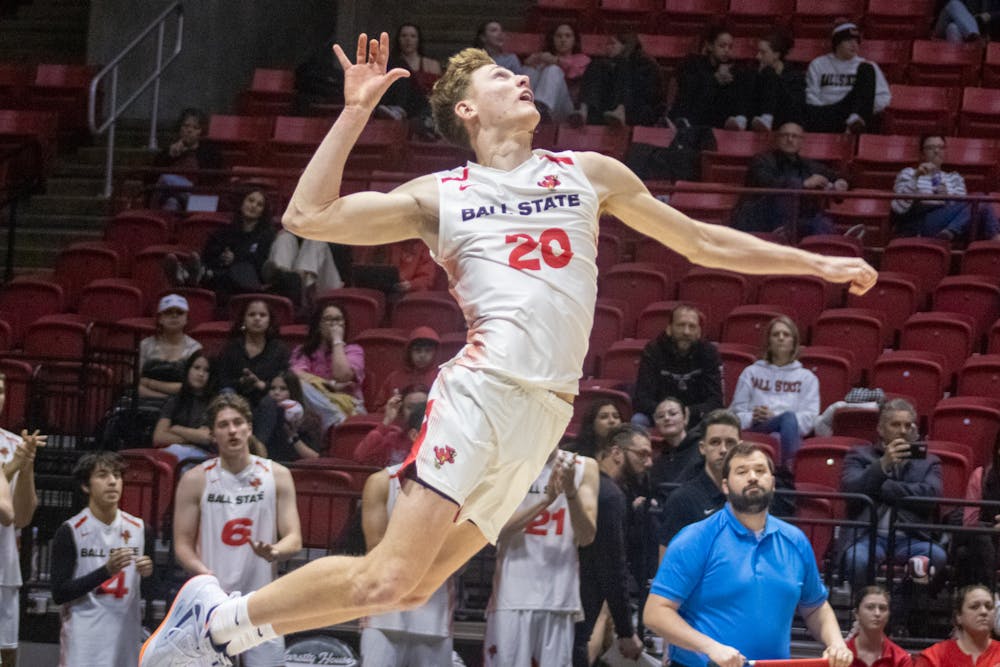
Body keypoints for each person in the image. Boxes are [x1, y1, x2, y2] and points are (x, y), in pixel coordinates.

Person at [139, 31, 877, 667]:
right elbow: (308, 213)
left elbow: (701, 239)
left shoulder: (586, 172)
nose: (521, 78)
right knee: (384, 576)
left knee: (410, 585)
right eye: (501, 75)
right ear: (466, 109)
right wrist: (356, 110)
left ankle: (218, 627)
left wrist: (814, 263)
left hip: (545, 414)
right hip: (484, 391)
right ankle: (214, 621)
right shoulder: (442, 193)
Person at [644, 441, 853, 667]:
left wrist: (836, 643)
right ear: (725, 486)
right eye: (742, 471)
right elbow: (656, 613)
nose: (752, 477)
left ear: (772, 483)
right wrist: (710, 647)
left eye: (760, 471)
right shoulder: (695, 539)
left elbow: (815, 607)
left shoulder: (796, 541)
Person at [171, 394, 302, 667]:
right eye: (223, 425)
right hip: (211, 602)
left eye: (238, 422)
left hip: (261, 600)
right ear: (211, 434)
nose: (232, 430)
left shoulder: (277, 475)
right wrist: (204, 575)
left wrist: (275, 551)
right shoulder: (195, 479)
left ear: (249, 428)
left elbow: (294, 538)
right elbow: (182, 543)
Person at [839, 398, 946, 633]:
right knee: (857, 560)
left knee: (935, 556)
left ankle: (894, 615)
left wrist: (882, 487)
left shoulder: (929, 462)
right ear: (880, 428)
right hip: (869, 535)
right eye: (895, 425)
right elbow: (851, 490)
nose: (903, 431)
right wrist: (883, 464)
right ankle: (864, 619)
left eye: (908, 426)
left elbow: (930, 496)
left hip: (911, 537)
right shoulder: (859, 456)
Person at [485, 448, 598, 666]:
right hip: (511, 595)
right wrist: (545, 500)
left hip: (559, 597)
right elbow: (492, 531)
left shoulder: (584, 466)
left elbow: (586, 537)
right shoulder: (504, 463)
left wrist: (571, 493)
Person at [51, 451, 153, 667]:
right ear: (86, 486)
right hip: (84, 637)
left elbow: (152, 587)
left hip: (124, 635)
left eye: (117, 475)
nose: (113, 481)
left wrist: (150, 573)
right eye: (103, 475)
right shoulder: (70, 530)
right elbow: (60, 592)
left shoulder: (140, 529)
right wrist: (106, 571)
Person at [361, 446, 459, 666]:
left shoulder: (456, 487)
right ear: (417, 435)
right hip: (383, 613)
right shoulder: (382, 481)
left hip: (435, 613)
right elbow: (375, 548)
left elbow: (459, 553)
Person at [574, 425, 647, 667]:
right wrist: (626, 631)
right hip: (579, 598)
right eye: (642, 454)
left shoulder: (582, 481)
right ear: (616, 452)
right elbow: (613, 565)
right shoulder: (609, 495)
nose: (648, 463)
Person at [732, 121, 848, 239]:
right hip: (762, 217)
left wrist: (841, 182)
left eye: (795, 136)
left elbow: (839, 177)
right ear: (777, 139)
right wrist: (804, 183)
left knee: (820, 223)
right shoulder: (761, 160)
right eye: (785, 135)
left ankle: (839, 243)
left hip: (794, 221)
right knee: (812, 219)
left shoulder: (808, 165)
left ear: (801, 142)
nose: (790, 139)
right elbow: (768, 183)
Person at [730, 315, 819, 463]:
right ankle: (788, 475)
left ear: (794, 342)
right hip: (755, 428)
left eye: (786, 334)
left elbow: (809, 420)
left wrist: (776, 416)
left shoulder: (807, 378)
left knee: (785, 424)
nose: (781, 338)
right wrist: (753, 417)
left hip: (788, 433)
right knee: (785, 422)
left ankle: (785, 473)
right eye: (775, 334)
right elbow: (736, 414)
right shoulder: (751, 372)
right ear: (769, 342)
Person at [0, 374, 43, 667]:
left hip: (3, 569)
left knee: (7, 657)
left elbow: (22, 518)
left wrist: (24, 467)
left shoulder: (15, 444)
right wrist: (10, 469)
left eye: (1, 390)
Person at [656, 409, 739, 558]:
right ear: (702, 448)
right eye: (715, 442)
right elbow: (667, 567)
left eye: (730, 443)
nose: (723, 449)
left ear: (740, 447)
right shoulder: (682, 499)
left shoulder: (749, 497)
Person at [169, 190, 276, 302]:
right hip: (222, 280)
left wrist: (236, 258)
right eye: (250, 200)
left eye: (259, 205)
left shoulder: (267, 236)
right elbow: (209, 255)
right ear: (242, 203)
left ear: (263, 211)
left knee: (237, 271)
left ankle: (188, 275)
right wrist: (222, 258)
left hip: (248, 281)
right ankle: (189, 275)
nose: (253, 206)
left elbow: (261, 264)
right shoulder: (224, 232)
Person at [891, 134, 1000, 243]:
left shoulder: (954, 177)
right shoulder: (909, 173)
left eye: (941, 147)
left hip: (946, 222)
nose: (936, 151)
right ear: (922, 154)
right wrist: (916, 177)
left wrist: (948, 198)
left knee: (980, 201)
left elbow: (964, 212)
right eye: (931, 148)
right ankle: (996, 242)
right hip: (919, 221)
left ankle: (948, 233)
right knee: (980, 198)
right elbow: (899, 208)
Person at [632, 304, 722, 429]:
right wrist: (668, 412)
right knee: (638, 420)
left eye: (692, 326)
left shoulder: (709, 353)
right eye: (681, 325)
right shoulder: (653, 351)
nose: (686, 332)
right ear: (669, 329)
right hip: (660, 415)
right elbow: (641, 399)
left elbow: (716, 401)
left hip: (695, 417)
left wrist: (686, 412)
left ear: (699, 332)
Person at [805, 21, 891, 134]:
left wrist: (865, 110)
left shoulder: (867, 65)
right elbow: (811, 95)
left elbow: (883, 97)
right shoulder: (818, 64)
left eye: (856, 41)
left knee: (867, 69)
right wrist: (825, 113)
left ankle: (855, 122)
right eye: (849, 40)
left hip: (855, 111)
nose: (854, 45)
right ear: (837, 43)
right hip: (827, 112)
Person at [291, 302, 366, 431]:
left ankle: (334, 420)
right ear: (319, 325)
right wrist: (330, 385)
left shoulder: (354, 350)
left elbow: (342, 376)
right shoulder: (302, 351)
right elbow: (295, 374)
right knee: (297, 384)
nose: (333, 324)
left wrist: (337, 340)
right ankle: (334, 419)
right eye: (328, 319)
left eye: (338, 319)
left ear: (344, 324)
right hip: (313, 406)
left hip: (347, 406)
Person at [576, 32, 663, 127]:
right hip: (610, 110)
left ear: (625, 45)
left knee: (622, 64)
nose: (608, 47)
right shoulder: (607, 65)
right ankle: (584, 110)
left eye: (613, 43)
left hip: (639, 108)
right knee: (595, 64)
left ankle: (620, 110)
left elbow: (649, 94)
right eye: (607, 44)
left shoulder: (644, 62)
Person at [726, 29, 806, 132]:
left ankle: (767, 118)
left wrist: (772, 78)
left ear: (776, 55)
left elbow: (795, 108)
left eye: (763, 52)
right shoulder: (753, 74)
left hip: (784, 122)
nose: (758, 56)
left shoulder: (795, 77)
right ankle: (741, 119)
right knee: (750, 73)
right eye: (758, 52)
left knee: (769, 73)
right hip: (755, 122)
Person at [151, 107, 223, 211]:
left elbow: (213, 182)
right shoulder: (167, 152)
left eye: (195, 127)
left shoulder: (210, 153)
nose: (189, 130)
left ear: (201, 131)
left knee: (167, 179)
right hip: (170, 198)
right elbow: (151, 179)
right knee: (172, 202)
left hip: (200, 200)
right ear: (180, 128)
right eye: (186, 126)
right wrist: (169, 156)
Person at [670, 25, 740, 129]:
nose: (727, 50)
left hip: (715, 120)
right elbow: (688, 89)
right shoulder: (693, 63)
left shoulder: (732, 69)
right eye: (722, 46)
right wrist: (714, 79)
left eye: (730, 47)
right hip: (691, 115)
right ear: (710, 46)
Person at [152, 351, 214, 467]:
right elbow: (159, 437)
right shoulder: (175, 400)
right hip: (177, 452)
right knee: (173, 453)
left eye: (206, 370)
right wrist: (193, 437)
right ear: (188, 370)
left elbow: (206, 438)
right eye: (196, 368)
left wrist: (175, 428)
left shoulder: (214, 403)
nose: (201, 374)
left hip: (204, 457)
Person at [954, 431, 1000, 588]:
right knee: (978, 534)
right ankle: (991, 596)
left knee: (964, 555)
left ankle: (986, 596)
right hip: (986, 541)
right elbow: (969, 522)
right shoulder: (981, 476)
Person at [914, 585, 999, 667]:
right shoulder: (934, 657)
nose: (984, 612)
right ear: (959, 616)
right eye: (974, 607)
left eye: (989, 607)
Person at [138, 294, 203, 402]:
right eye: (168, 312)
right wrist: (164, 398)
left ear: (186, 319)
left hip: (181, 405)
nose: (174, 316)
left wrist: (150, 383)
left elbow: (190, 387)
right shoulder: (145, 345)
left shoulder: (195, 348)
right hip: (142, 402)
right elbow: (134, 382)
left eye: (179, 312)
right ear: (160, 319)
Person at [521, 23, 590, 123]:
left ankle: (542, 109)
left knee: (553, 69)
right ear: (553, 39)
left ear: (574, 40)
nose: (563, 40)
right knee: (531, 70)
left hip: (564, 108)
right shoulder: (543, 58)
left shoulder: (582, 59)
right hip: (532, 108)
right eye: (559, 36)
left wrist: (556, 61)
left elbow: (574, 74)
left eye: (568, 36)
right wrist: (530, 63)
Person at [353, 385, 429, 467]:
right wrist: (387, 420)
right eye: (411, 407)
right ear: (401, 411)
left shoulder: (440, 439)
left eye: (423, 406)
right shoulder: (393, 439)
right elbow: (360, 457)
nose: (417, 412)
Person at [373, 325, 440, 412]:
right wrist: (391, 407)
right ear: (409, 352)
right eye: (417, 350)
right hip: (398, 422)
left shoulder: (442, 378)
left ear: (435, 353)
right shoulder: (394, 378)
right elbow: (377, 409)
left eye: (428, 351)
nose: (422, 355)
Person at [264, 371, 323, 462]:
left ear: (293, 391)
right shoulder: (263, 416)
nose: (276, 393)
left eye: (283, 389)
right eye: (272, 388)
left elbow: (314, 457)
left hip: (298, 468)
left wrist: (292, 436)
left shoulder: (310, 419)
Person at [847, 586, 912, 667]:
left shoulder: (901, 659)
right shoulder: (840, 654)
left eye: (882, 608)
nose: (877, 613)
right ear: (856, 614)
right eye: (870, 607)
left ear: (888, 615)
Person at [647, 397, 702, 489]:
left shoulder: (701, 450)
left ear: (685, 418)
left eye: (673, 414)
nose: (667, 418)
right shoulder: (657, 462)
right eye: (660, 416)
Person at [934, 1, 1000, 42]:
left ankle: (959, 63)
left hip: (964, 28)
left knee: (953, 28)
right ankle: (973, 34)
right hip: (945, 23)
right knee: (953, 3)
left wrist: (990, 15)